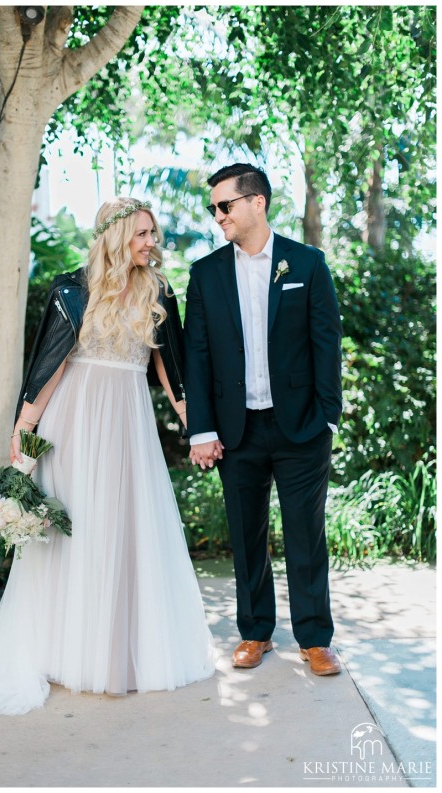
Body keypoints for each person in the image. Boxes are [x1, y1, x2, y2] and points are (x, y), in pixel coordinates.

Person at [0, 198, 215, 715]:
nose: (152, 243)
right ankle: (61, 648)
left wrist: (196, 425)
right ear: (116, 235)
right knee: (72, 531)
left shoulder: (159, 291)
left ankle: (119, 651)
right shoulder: (72, 290)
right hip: (74, 423)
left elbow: (172, 368)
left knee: (123, 528)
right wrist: (24, 429)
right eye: (142, 233)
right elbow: (50, 365)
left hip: (128, 423)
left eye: (153, 233)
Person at [183, 164, 342, 676]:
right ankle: (255, 633)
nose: (217, 216)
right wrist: (202, 429)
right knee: (246, 535)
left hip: (300, 427)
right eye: (213, 208)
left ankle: (315, 639)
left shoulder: (308, 263)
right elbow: (198, 357)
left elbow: (327, 345)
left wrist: (328, 419)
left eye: (224, 206)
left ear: (257, 203)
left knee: (305, 534)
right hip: (237, 429)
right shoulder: (205, 273)